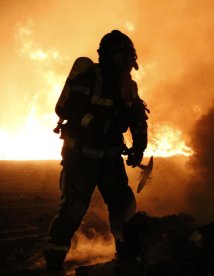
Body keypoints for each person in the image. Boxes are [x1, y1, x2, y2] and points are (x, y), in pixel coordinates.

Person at [43, 30, 149, 270]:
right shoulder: (90, 78)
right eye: (126, 58)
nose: (130, 65)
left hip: (109, 158)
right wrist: (103, 125)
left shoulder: (127, 86)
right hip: (81, 156)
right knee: (75, 206)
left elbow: (137, 118)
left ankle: (127, 252)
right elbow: (73, 111)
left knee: (123, 204)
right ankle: (53, 260)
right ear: (114, 57)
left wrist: (139, 146)